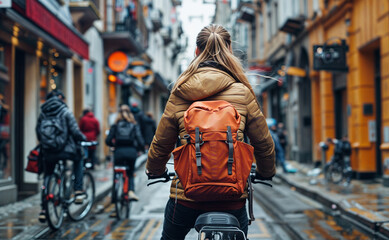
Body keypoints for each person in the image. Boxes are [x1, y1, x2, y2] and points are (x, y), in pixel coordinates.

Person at [145, 24, 276, 239]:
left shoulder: (180, 92)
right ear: (230, 49)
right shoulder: (242, 91)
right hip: (232, 198)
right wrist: (266, 171)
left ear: (196, 51)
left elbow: (161, 143)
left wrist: (155, 169)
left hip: (185, 197)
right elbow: (264, 144)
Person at [36, 89, 87, 222]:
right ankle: (78, 191)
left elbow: (38, 131)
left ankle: (43, 209)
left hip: (48, 151)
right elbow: (75, 131)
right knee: (79, 157)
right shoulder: (65, 111)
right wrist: (84, 138)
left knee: (47, 176)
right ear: (61, 99)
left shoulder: (43, 113)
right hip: (65, 150)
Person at [105, 104, 145, 201]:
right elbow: (140, 140)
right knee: (130, 173)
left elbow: (108, 140)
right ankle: (130, 191)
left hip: (118, 152)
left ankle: (114, 197)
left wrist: (113, 146)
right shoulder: (134, 125)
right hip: (131, 152)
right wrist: (141, 149)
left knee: (116, 172)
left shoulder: (115, 125)